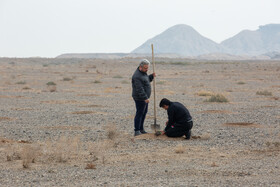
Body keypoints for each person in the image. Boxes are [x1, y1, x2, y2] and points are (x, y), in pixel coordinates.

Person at [132, 59, 156, 136]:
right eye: (145, 68)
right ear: (140, 67)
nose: (147, 69)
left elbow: (146, 80)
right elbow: (140, 89)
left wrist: (151, 76)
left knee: (143, 113)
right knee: (139, 113)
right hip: (140, 98)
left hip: (144, 98)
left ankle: (141, 129)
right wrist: (145, 98)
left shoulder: (143, 73)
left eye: (147, 68)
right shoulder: (137, 76)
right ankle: (137, 130)